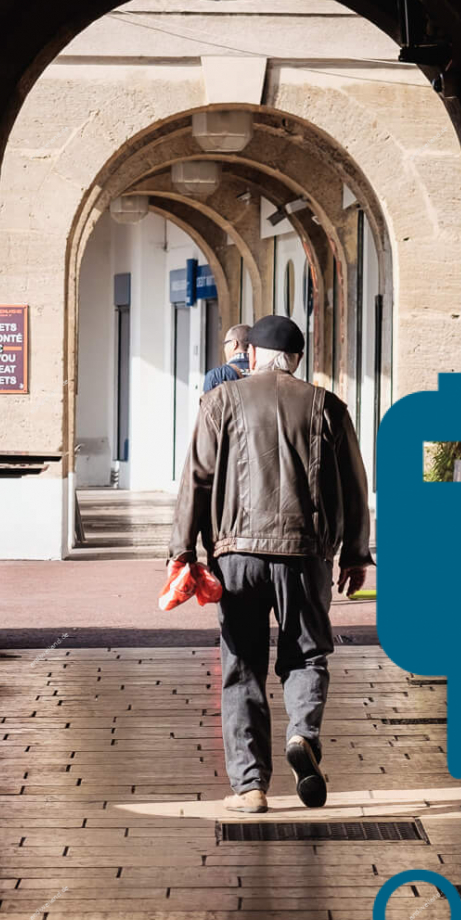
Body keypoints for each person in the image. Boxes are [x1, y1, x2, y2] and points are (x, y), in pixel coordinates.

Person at [169, 314, 372, 814]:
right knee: (306, 655)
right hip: (305, 554)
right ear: (297, 360)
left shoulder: (219, 402)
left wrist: (182, 552)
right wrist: (355, 552)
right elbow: (354, 484)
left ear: (251, 354)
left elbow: (195, 479)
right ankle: (302, 733)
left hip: (236, 554)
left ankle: (250, 787)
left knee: (241, 665)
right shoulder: (327, 405)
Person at [202, 323, 253, 393]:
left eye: (225, 343)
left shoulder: (216, 375)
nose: (224, 348)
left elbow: (209, 403)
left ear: (234, 344)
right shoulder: (265, 372)